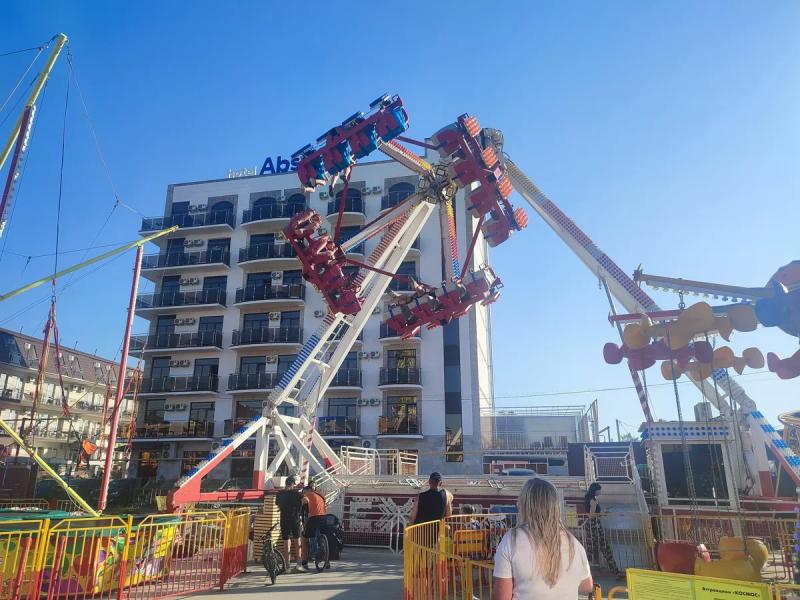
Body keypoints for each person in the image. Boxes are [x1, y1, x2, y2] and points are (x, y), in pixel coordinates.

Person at [492, 478, 593, 600]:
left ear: (525, 505)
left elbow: (502, 597)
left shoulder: (511, 540)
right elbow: (587, 586)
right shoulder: (573, 543)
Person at [583, 482, 622, 578]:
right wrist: (602, 514)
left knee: (590, 550)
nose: (600, 491)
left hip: (592, 526)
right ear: (595, 490)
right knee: (604, 547)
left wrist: (601, 512)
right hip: (594, 526)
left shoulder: (590, 499)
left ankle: (582, 572)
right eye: (599, 490)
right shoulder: (593, 500)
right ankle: (615, 571)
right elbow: (591, 515)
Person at [275, 476, 303, 573]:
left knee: (286, 541)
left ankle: (287, 565)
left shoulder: (279, 494)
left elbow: (278, 505)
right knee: (297, 540)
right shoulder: (297, 493)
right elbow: (306, 501)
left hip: (284, 519)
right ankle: (299, 564)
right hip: (294, 518)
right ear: (293, 484)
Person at [301, 484, 330, 570]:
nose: (303, 494)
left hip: (314, 518)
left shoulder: (307, 495)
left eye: (304, 492)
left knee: (305, 539)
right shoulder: (320, 496)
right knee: (322, 537)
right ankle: (327, 561)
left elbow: (303, 503)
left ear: (307, 491)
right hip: (324, 518)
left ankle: (305, 562)